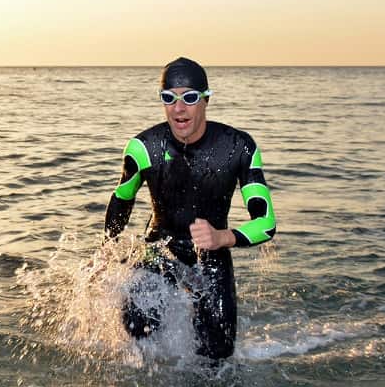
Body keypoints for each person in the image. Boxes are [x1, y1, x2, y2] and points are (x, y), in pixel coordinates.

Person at [104, 57, 277, 360]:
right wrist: (106, 253)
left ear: (206, 100)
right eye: (169, 98)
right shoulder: (143, 148)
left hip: (211, 255)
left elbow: (266, 223)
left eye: (190, 98)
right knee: (139, 343)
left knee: (217, 358)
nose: (179, 108)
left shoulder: (238, 147)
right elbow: (121, 202)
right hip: (159, 252)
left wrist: (222, 237)